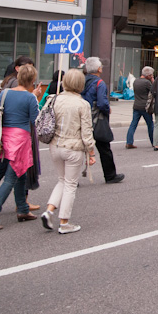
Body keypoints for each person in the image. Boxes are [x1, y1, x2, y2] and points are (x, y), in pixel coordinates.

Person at [0, 64, 40, 230]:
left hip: (5, 137)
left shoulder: (5, 93)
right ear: (32, 80)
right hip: (20, 139)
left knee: (20, 173)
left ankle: (22, 209)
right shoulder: (30, 98)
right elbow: (35, 119)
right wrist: (36, 99)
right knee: (11, 177)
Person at [39, 69, 94, 235]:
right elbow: (87, 132)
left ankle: (49, 211)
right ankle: (64, 222)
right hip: (73, 148)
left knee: (62, 180)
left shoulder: (54, 99)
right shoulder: (83, 104)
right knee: (70, 184)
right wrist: (91, 152)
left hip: (55, 145)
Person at [82, 57, 124, 184]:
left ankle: (71, 178)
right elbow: (102, 102)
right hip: (97, 119)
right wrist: (107, 109)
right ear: (99, 69)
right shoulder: (99, 83)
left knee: (78, 149)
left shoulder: (81, 80)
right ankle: (110, 175)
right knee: (104, 148)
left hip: (82, 117)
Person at [125, 66, 155, 149]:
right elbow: (154, 90)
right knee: (150, 124)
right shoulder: (147, 83)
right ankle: (154, 141)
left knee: (133, 124)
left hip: (136, 105)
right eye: (151, 75)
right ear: (148, 75)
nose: (152, 76)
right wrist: (153, 81)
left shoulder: (136, 81)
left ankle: (129, 142)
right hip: (145, 107)